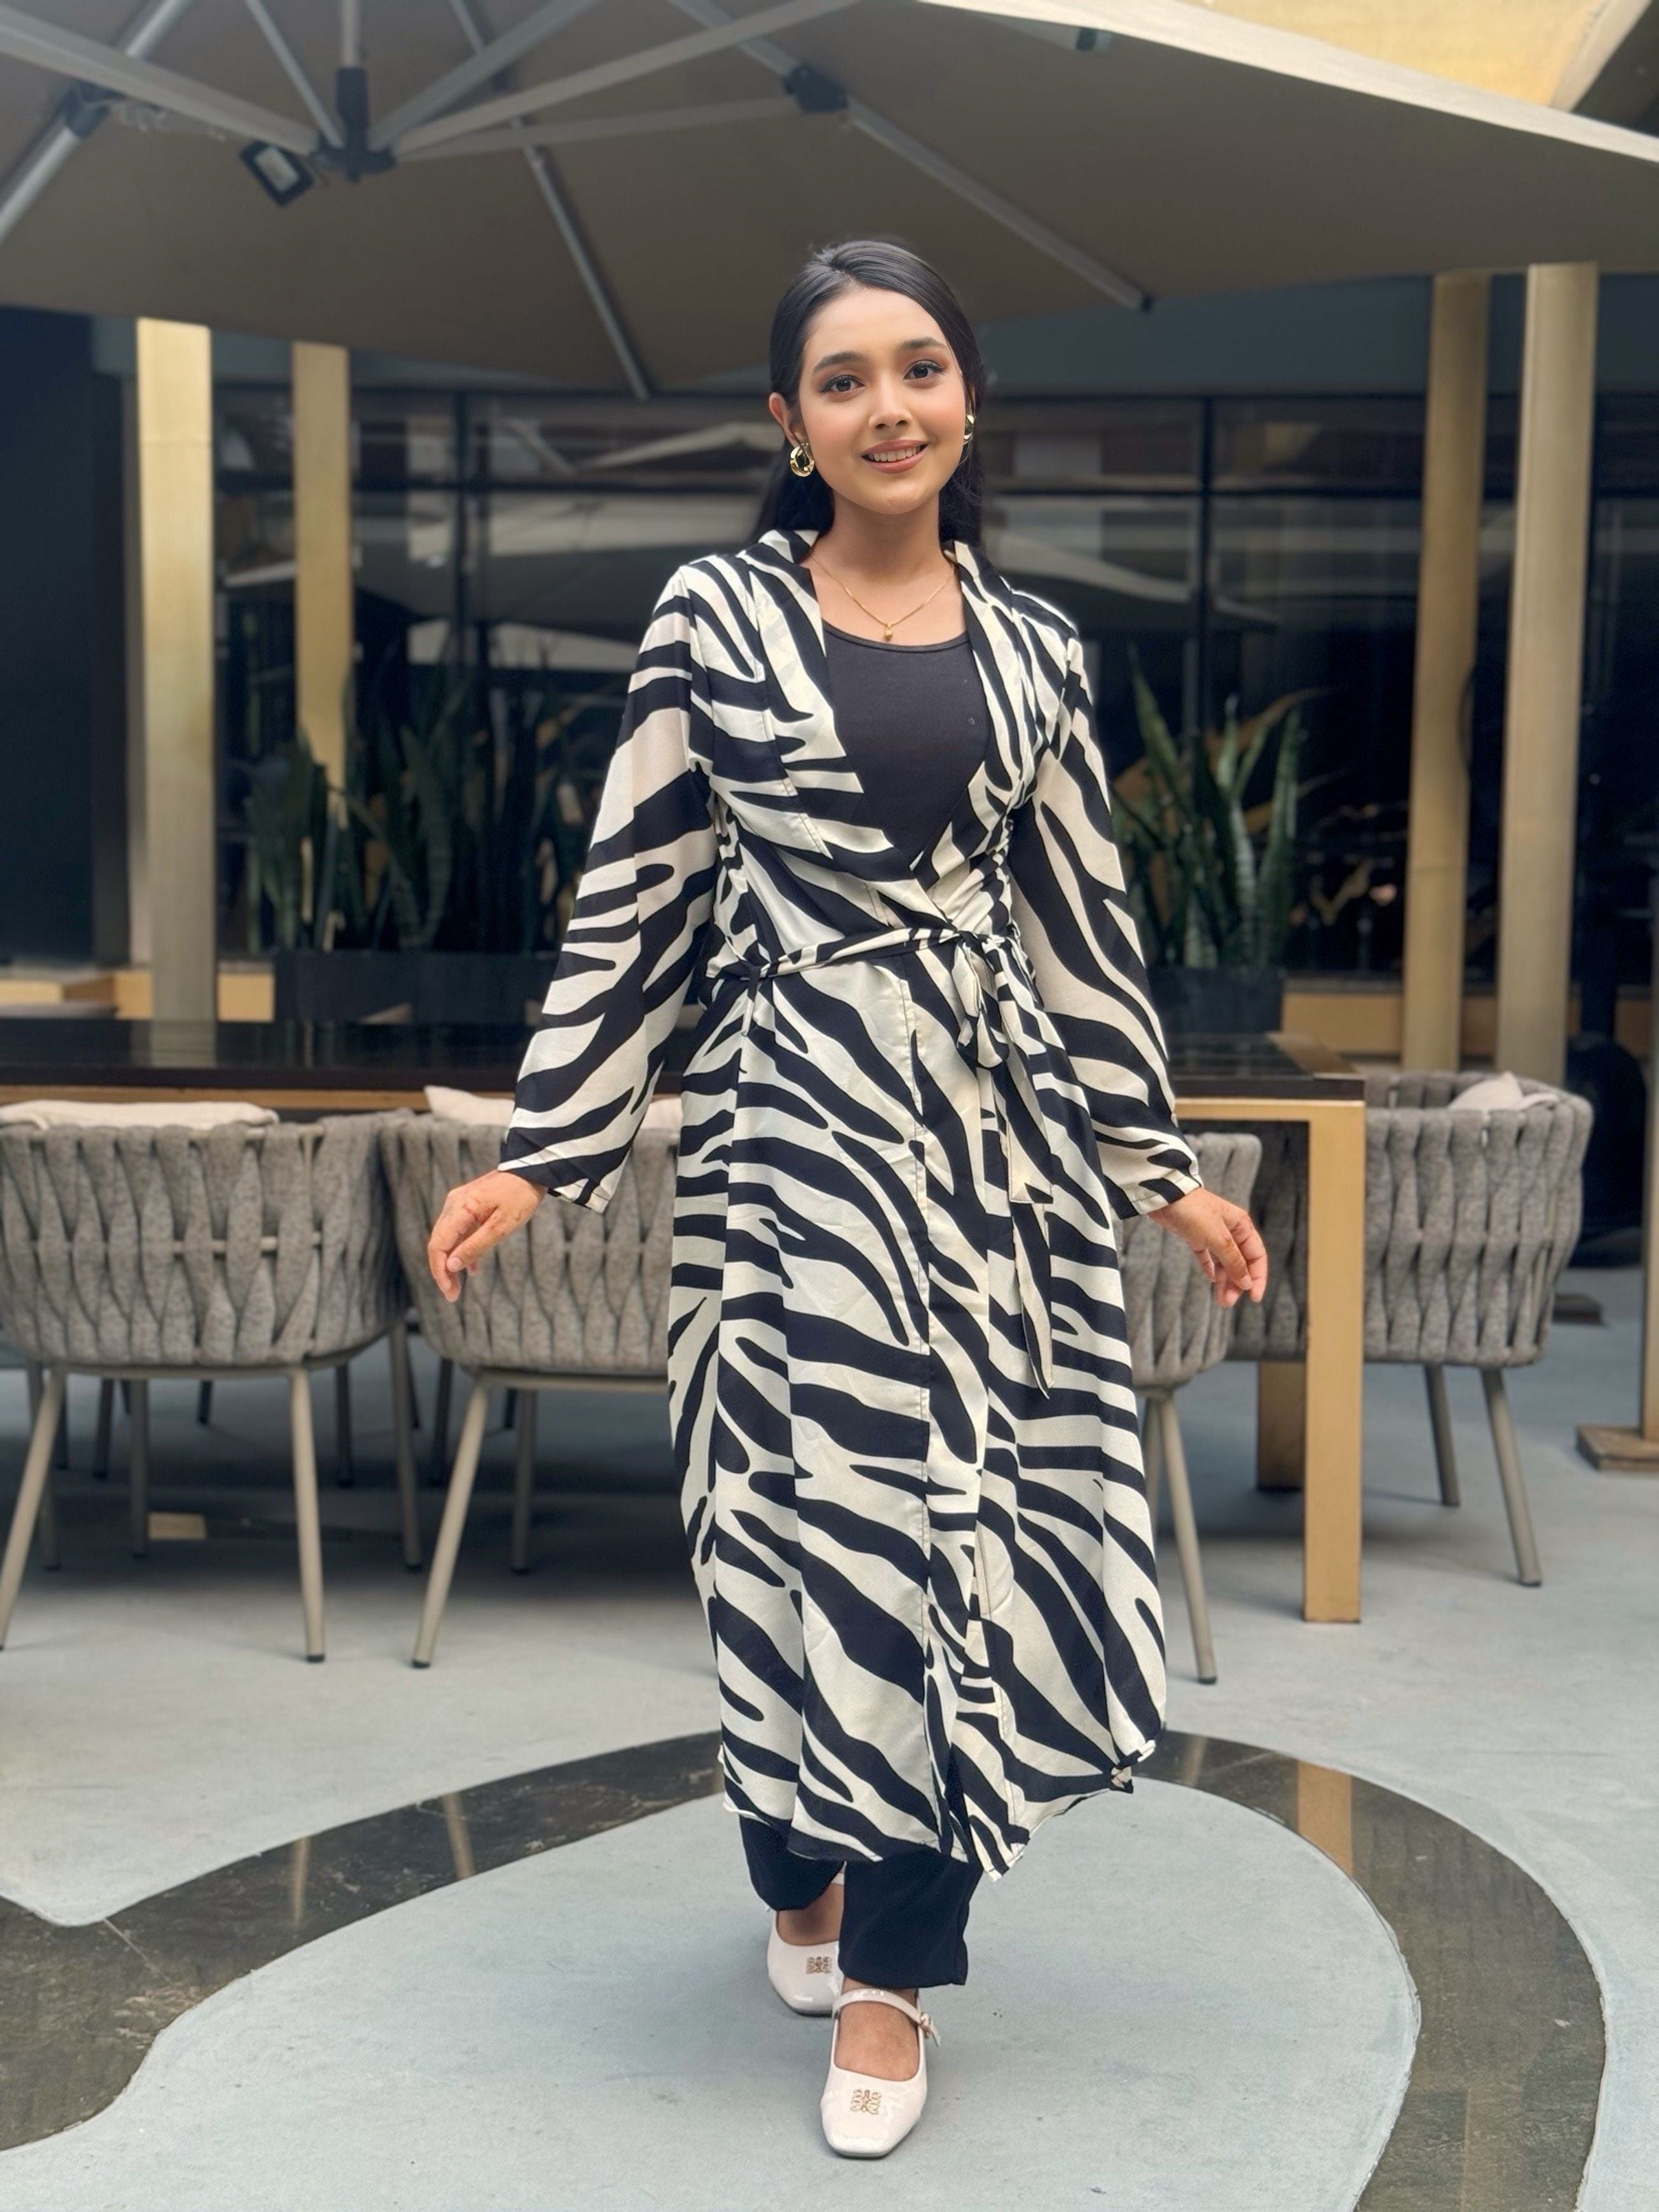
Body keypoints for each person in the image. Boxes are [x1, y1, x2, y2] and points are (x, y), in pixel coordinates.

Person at [425, 238, 1267, 2160]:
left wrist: (1156, 1167)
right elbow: (633, 895)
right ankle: (798, 1855)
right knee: (778, 1537)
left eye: (918, 369)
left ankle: (895, 1980)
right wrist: (547, 1147)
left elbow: (1082, 930)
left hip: (991, 1168)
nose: (887, 406)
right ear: (789, 427)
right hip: (785, 1152)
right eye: (841, 380)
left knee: (947, 1552)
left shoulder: (1041, 650)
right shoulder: (713, 617)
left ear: (966, 400)